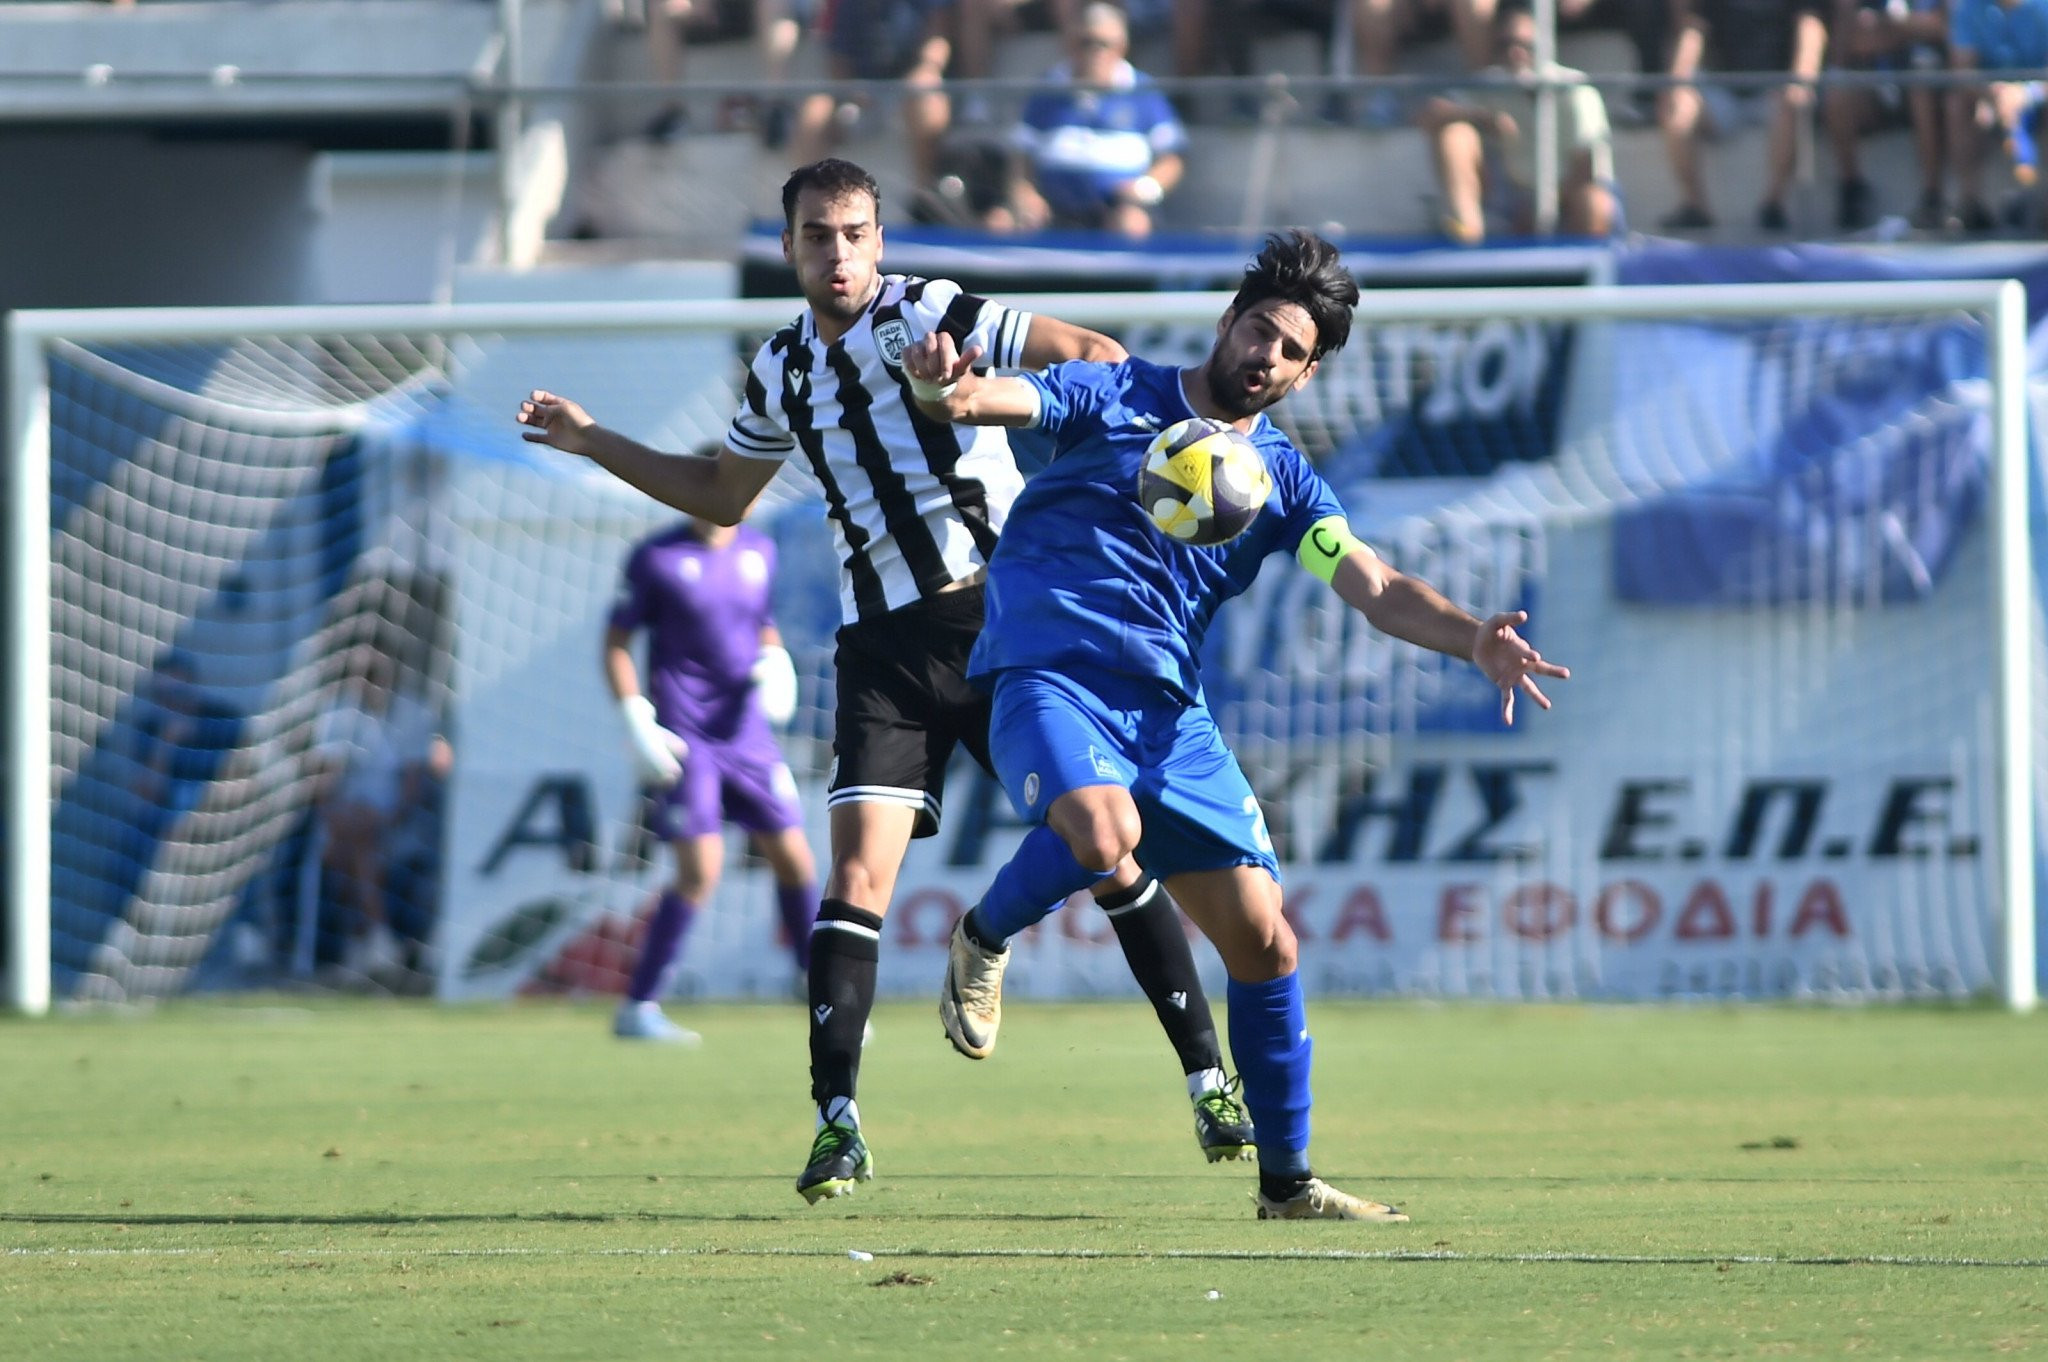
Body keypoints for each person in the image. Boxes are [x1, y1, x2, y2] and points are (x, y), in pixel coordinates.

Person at [516, 158, 1253, 1204]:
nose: (839, 253)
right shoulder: (777, 370)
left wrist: (988, 396)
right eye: (818, 235)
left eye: (856, 233)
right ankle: (836, 1125)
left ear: (879, 239)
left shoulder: (934, 312)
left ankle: (1207, 1081)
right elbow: (721, 494)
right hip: (882, 653)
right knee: (854, 881)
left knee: (1103, 835)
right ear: (789, 248)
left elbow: (1091, 353)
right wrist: (592, 442)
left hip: (1004, 625)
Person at [902, 229, 1570, 1220]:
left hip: (1166, 714)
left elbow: (1372, 583)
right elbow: (1008, 399)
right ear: (1226, 322)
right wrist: (945, 391)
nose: (1265, 353)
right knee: (1102, 831)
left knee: (1264, 943)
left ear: (1303, 377)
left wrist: (1472, 637)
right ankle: (983, 935)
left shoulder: (1284, 486)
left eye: (1289, 349)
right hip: (1047, 677)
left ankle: (1286, 1185)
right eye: (1258, 328)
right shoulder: (1115, 390)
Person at [604, 512, 821, 1045]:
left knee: (795, 858)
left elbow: (760, 622)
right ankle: (639, 1005)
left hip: (748, 736)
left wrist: (774, 657)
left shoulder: (760, 551)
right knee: (700, 870)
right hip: (687, 736)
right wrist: (635, 713)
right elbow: (616, 642)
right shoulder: (657, 555)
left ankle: (821, 995)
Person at [1416, 2, 1619, 243]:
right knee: (1455, 133)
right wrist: (1481, 118)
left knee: (1593, 201)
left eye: (1525, 44)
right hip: (1512, 200)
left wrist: (1542, 209)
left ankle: (1587, 268)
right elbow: (1427, 115)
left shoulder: (1575, 91)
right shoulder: (1492, 84)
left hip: (1568, 200)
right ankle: (1467, 236)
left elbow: (1585, 171)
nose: (1515, 52)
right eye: (1506, 44)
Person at [988, 1, 1188, 237]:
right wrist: (1024, 193)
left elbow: (1172, 158)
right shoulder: (1048, 88)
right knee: (998, 223)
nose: (1095, 52)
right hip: (1053, 206)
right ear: (1070, 44)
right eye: (1085, 42)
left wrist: (1143, 190)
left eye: (1103, 44)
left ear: (1121, 46)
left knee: (1132, 224)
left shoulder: (1142, 91)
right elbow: (1021, 153)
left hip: (1117, 207)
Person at [311, 646, 451, 977]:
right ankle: (377, 939)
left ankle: (367, 940)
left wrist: (385, 819)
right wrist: (335, 814)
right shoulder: (339, 714)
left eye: (376, 673)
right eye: (363, 675)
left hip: (396, 822)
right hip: (346, 822)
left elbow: (413, 785)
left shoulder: (413, 713)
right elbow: (324, 781)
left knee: (356, 849)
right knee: (356, 848)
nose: (370, 682)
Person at [1656, 0, 1829, 231]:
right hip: (1722, 89)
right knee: (1677, 106)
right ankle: (1695, 206)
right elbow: (1694, 30)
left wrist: (1802, 80)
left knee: (1792, 105)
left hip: (1775, 89)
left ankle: (1773, 206)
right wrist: (1678, 81)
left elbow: (1810, 26)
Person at [1825, 0, 1951, 230]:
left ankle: (1933, 197)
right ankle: (1852, 188)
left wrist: (1890, 26)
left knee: (1921, 88)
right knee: (1838, 93)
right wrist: (1911, 30)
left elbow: (1944, 27)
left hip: (1926, 88)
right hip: (1877, 90)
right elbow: (1850, 44)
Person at [1944, 0, 2048, 232]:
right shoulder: (1968, 8)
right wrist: (1991, 94)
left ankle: (2043, 210)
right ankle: (1970, 205)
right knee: (1957, 104)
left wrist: (2026, 93)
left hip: (2039, 102)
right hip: (1989, 100)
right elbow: (1963, 71)